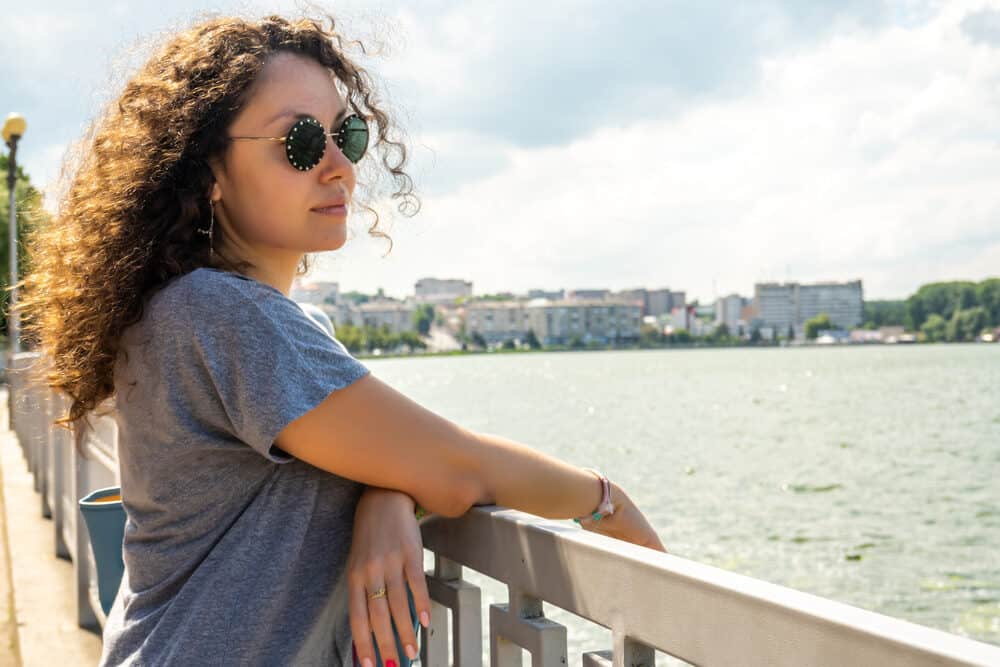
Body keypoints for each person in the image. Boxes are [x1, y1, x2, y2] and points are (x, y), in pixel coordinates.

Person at [14, 12, 666, 667]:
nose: (338, 168)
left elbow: (405, 450)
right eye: (299, 142)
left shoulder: (229, 315)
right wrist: (604, 500)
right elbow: (456, 467)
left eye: (345, 136)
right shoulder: (219, 316)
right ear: (207, 169)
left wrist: (386, 493)